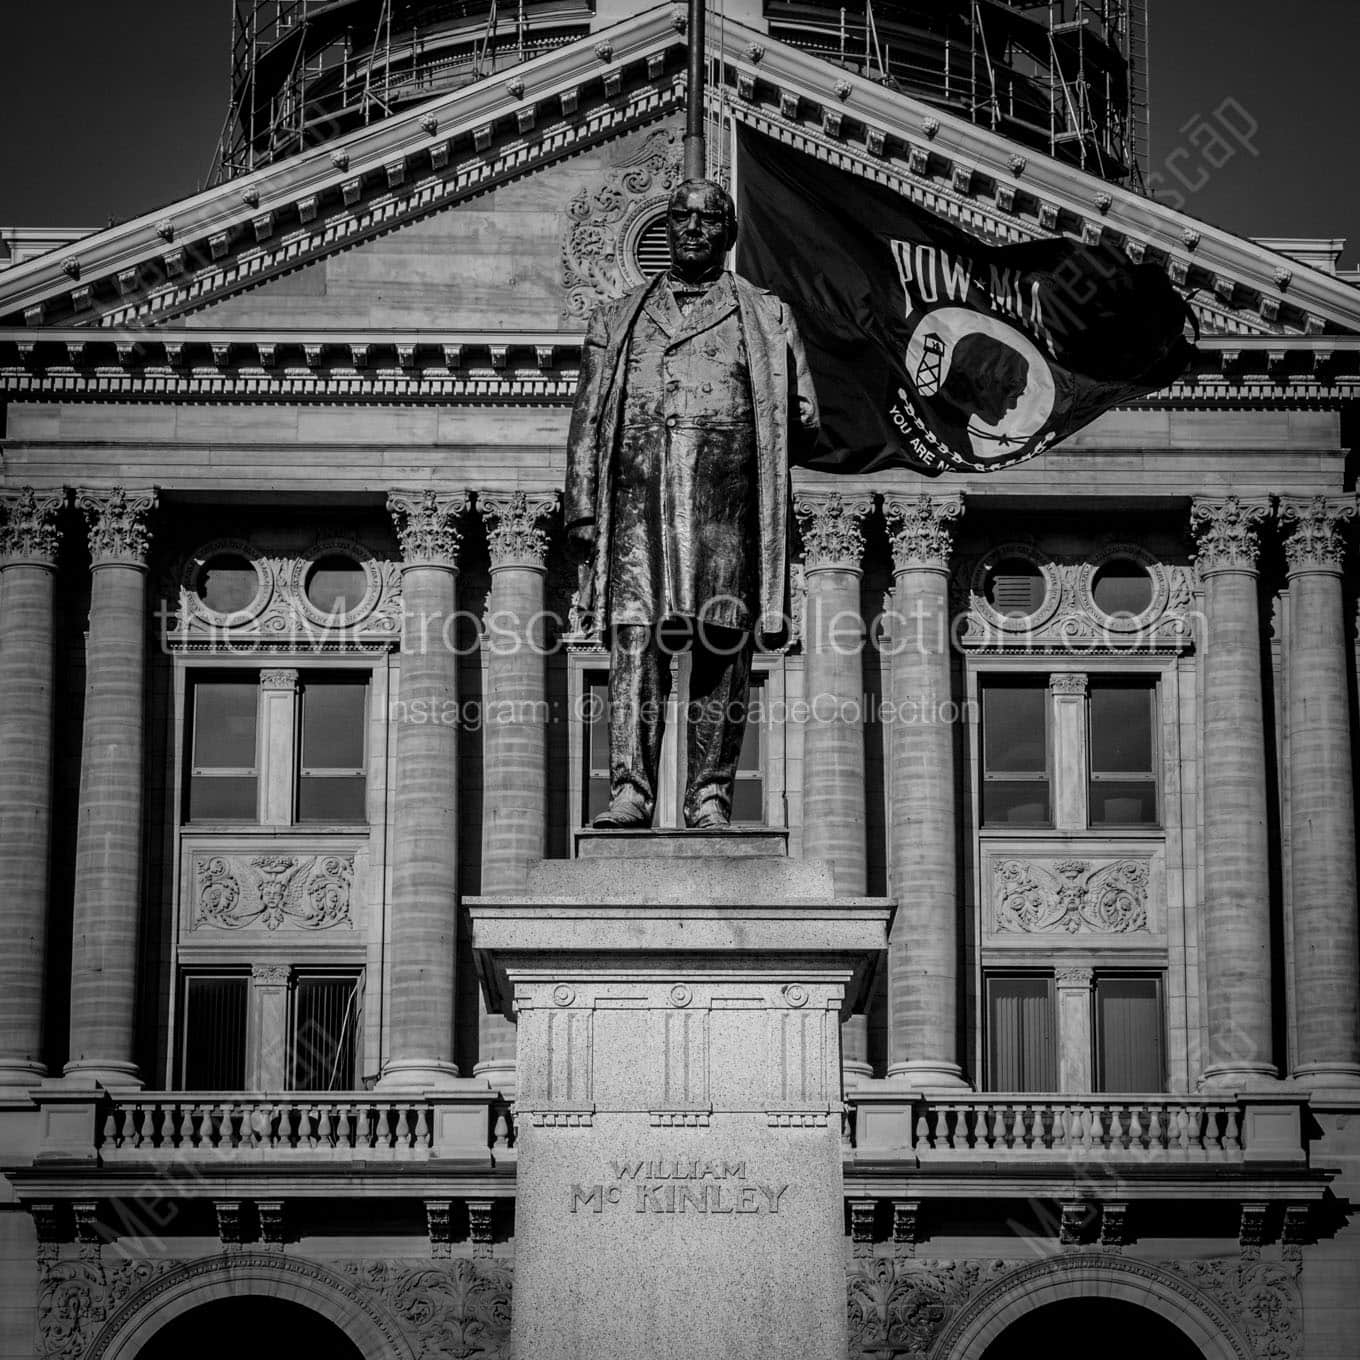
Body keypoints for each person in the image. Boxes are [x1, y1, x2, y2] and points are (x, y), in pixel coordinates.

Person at [565, 178, 819, 828]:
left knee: (722, 650)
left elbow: (806, 417)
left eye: (710, 220)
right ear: (667, 229)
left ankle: (709, 796)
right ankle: (631, 793)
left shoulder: (766, 314)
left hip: (723, 507)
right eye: (682, 218)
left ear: (728, 234)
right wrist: (583, 510)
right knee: (634, 650)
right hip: (638, 506)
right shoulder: (617, 317)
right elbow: (589, 421)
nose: (694, 230)